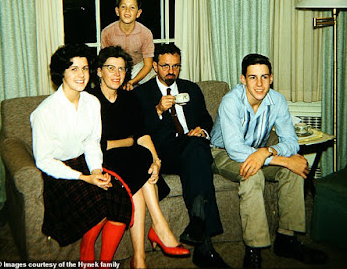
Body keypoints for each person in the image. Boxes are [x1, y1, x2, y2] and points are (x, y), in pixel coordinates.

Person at [211, 53, 328, 269]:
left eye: (264, 77)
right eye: (253, 77)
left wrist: (266, 152)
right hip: (222, 154)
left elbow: (291, 142)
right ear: (242, 79)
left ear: (271, 78)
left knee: (295, 169)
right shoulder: (230, 101)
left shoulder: (277, 101)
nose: (259, 84)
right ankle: (254, 249)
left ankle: (286, 239)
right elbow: (235, 150)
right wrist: (282, 160)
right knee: (253, 174)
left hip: (259, 152)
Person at [30, 44, 133, 263]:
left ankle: (105, 263)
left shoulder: (91, 102)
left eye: (85, 68)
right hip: (60, 172)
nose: (81, 74)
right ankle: (87, 252)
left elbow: (92, 143)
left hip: (86, 164)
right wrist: (85, 178)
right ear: (62, 73)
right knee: (100, 200)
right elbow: (44, 160)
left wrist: (96, 170)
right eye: (74, 69)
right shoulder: (44, 112)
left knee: (119, 196)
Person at [90, 46, 190, 269]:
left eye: (122, 69)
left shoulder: (130, 98)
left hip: (130, 161)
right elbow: (94, 145)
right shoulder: (90, 100)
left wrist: (156, 160)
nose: (117, 74)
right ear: (99, 72)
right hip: (100, 160)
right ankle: (159, 227)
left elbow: (142, 134)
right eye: (111, 68)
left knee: (142, 162)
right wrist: (125, 142)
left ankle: (140, 259)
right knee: (137, 162)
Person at [133, 44, 230, 269]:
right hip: (163, 153)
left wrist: (202, 131)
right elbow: (140, 132)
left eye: (175, 66)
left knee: (197, 148)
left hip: (191, 149)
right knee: (197, 153)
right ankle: (203, 236)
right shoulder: (141, 94)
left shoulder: (191, 88)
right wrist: (157, 111)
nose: (171, 71)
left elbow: (207, 120)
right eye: (165, 65)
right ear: (155, 66)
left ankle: (199, 228)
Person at [101, 0, 155, 90]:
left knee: (153, 82)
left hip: (139, 67)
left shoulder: (145, 33)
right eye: (123, 7)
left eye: (132, 8)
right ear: (117, 11)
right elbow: (106, 60)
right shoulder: (107, 32)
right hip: (116, 66)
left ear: (138, 13)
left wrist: (132, 82)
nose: (127, 11)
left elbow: (148, 65)